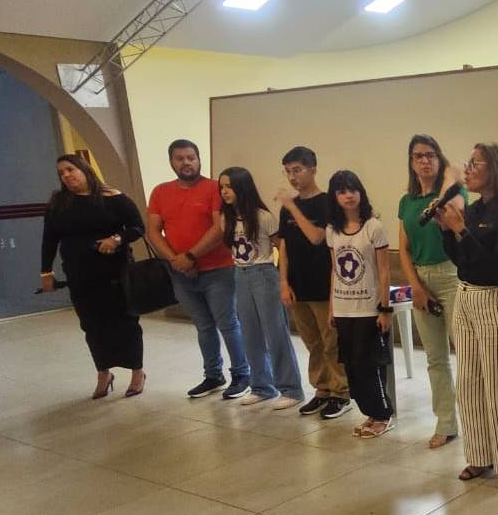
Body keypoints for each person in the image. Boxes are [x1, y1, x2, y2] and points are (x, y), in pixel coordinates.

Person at [437, 143, 498, 489]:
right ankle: (479, 456)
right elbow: (462, 260)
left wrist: (461, 231)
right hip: (467, 300)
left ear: (495, 169)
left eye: (475, 163)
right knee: (469, 384)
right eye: (468, 163)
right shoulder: (476, 209)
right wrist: (446, 229)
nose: (468, 169)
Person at [145, 139, 250, 399]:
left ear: (199, 159)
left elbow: (220, 228)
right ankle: (213, 376)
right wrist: (176, 261)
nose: (186, 162)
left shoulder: (214, 188)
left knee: (228, 323)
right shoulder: (160, 192)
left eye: (191, 157)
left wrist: (191, 256)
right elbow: (153, 231)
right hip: (180, 273)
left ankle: (241, 374)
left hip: (218, 269)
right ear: (171, 162)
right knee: (203, 326)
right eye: (180, 158)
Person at [40, 154, 147, 399]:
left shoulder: (113, 197)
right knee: (92, 325)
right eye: (61, 173)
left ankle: (137, 372)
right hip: (80, 274)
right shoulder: (59, 203)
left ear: (85, 169)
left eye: (70, 169)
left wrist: (116, 239)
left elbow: (137, 226)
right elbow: (49, 239)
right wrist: (46, 271)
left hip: (115, 273)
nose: (66, 175)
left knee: (126, 322)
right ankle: (103, 372)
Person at [397, 134, 466, 448]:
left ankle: (475, 421)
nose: (424, 161)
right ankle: (446, 422)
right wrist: (416, 286)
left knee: (466, 354)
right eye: (417, 156)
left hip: (452, 275)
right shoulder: (407, 202)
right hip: (421, 278)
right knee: (436, 359)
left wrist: (451, 176)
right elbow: (404, 247)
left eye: (430, 155)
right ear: (411, 163)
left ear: (440, 160)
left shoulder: (454, 192)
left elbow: (452, 212)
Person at [274, 146, 352, 420]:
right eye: (288, 172)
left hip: (323, 283)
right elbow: (283, 246)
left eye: (298, 170)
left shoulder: (325, 202)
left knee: (331, 341)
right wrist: (283, 281)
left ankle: (341, 392)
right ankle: (322, 389)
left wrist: (292, 205)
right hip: (298, 284)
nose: (293, 177)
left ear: (313, 169)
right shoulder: (288, 209)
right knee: (312, 341)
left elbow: (317, 237)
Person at [219, 166, 304, 409]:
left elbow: (282, 248)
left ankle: (291, 388)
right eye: (221, 187)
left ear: (242, 187)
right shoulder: (225, 217)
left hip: (263, 273)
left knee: (275, 332)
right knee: (250, 332)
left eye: (229, 186)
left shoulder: (263, 217)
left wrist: (283, 279)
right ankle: (261, 386)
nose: (224, 191)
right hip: (241, 273)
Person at [326, 170, 393, 438]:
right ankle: (369, 412)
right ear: (335, 197)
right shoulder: (332, 231)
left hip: (369, 309)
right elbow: (334, 270)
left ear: (361, 192)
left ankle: (382, 414)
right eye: (342, 191)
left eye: (352, 189)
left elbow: (385, 271)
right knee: (352, 365)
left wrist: (385, 309)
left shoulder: (373, 227)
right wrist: (332, 307)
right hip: (344, 309)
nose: (348, 195)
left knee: (370, 364)